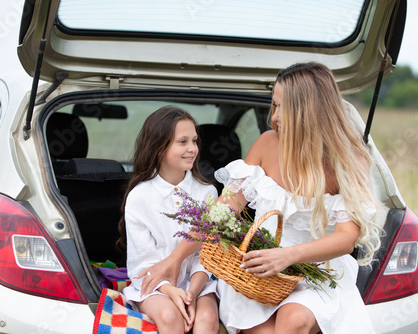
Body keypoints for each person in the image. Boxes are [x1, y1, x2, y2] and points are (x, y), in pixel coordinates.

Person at [137, 62, 382, 333]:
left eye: (281, 108)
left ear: (308, 110)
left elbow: (346, 238)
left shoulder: (349, 159)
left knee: (294, 320)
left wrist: (287, 256)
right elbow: (223, 212)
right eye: (273, 106)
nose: (273, 118)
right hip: (257, 272)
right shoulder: (267, 144)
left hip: (318, 270)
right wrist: (176, 259)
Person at [117, 106, 219, 334]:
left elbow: (209, 256)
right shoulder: (140, 197)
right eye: (182, 142)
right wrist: (172, 292)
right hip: (154, 286)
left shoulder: (208, 193)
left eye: (194, 141)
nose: (192, 148)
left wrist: (191, 293)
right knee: (170, 316)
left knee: (207, 320)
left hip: (199, 284)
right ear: (159, 147)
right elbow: (143, 262)